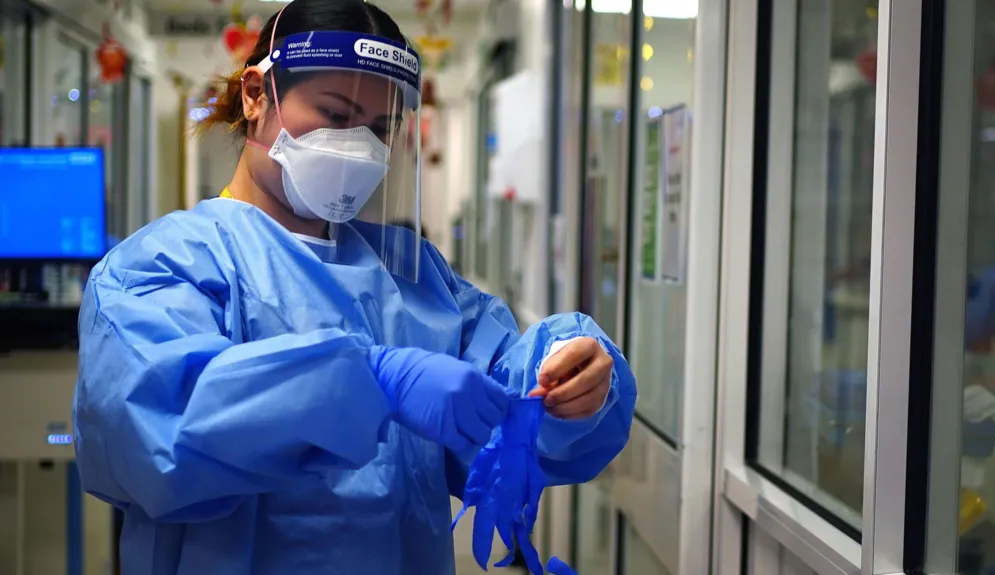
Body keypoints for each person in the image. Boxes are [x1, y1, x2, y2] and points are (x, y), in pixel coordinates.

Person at [71, 1, 637, 574]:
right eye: (336, 114)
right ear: (255, 95)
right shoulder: (160, 268)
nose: (359, 145)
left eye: (379, 128)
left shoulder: (411, 276)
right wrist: (368, 380)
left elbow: (508, 394)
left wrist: (569, 377)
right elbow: (161, 428)